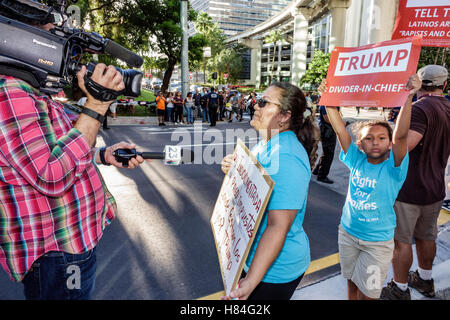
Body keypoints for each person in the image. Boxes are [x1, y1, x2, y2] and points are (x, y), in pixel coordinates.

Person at [0, 21, 145, 299]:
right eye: (51, 32)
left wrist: (103, 154)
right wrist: (97, 104)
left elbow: (55, 150)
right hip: (57, 254)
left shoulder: (32, 90)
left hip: (71, 245)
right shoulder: (9, 93)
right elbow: (51, 175)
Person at [317, 75, 421, 300]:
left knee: (369, 294)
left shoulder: (394, 167)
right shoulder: (356, 160)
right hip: (347, 234)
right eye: (369, 138)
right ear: (360, 144)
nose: (375, 142)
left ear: (390, 142)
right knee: (352, 286)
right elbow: (340, 130)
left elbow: (402, 135)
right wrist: (328, 97)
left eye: (382, 138)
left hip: (377, 243)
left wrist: (408, 96)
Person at [221, 82, 319, 300]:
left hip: (274, 271)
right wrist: (234, 168)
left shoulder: (286, 158)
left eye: (263, 102)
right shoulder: (269, 142)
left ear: (284, 116)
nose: (255, 106)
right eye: (258, 100)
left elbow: (278, 227)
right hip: (253, 256)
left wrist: (251, 281)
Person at [381, 65, 450, 300]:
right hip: (435, 187)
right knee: (427, 236)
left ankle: (399, 289)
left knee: (401, 242)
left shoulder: (420, 109)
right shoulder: (447, 106)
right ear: (444, 85)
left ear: (418, 84)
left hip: (410, 189)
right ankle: (424, 278)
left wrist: (391, 137)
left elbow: (402, 149)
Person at [312, 105, 337, 184]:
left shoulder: (329, 102)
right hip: (327, 129)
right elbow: (327, 118)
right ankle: (322, 175)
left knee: (326, 151)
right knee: (329, 153)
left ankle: (317, 170)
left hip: (327, 128)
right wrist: (340, 123)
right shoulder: (328, 103)